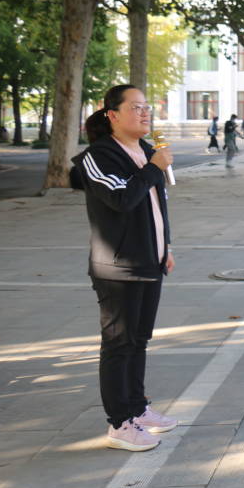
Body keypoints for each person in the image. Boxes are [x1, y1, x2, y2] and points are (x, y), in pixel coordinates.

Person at [69, 85, 177, 452]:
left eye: (147, 107)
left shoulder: (146, 150)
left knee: (139, 340)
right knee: (119, 344)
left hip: (150, 260)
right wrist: (153, 168)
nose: (145, 113)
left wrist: (166, 246)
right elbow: (121, 198)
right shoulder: (98, 157)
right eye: (136, 107)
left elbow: (157, 205)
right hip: (118, 267)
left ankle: (137, 408)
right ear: (112, 115)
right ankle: (119, 423)